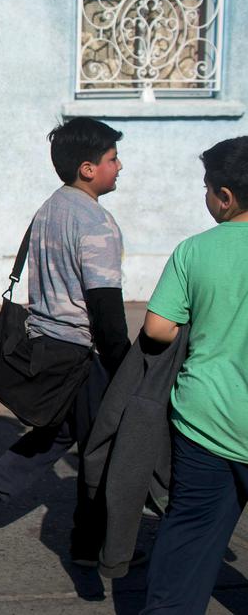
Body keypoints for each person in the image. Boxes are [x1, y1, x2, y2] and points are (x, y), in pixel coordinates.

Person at [0, 117, 131, 563]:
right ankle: (92, 547)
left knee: (61, 432)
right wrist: (125, 364)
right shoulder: (97, 222)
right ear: (88, 169)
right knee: (104, 451)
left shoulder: (50, 207)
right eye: (112, 159)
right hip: (81, 354)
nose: (120, 166)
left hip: (46, 345)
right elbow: (106, 307)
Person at [140, 137, 248, 613]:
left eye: (207, 189)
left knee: (189, 534)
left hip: (207, 420)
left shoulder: (194, 251)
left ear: (225, 197)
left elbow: (158, 329)